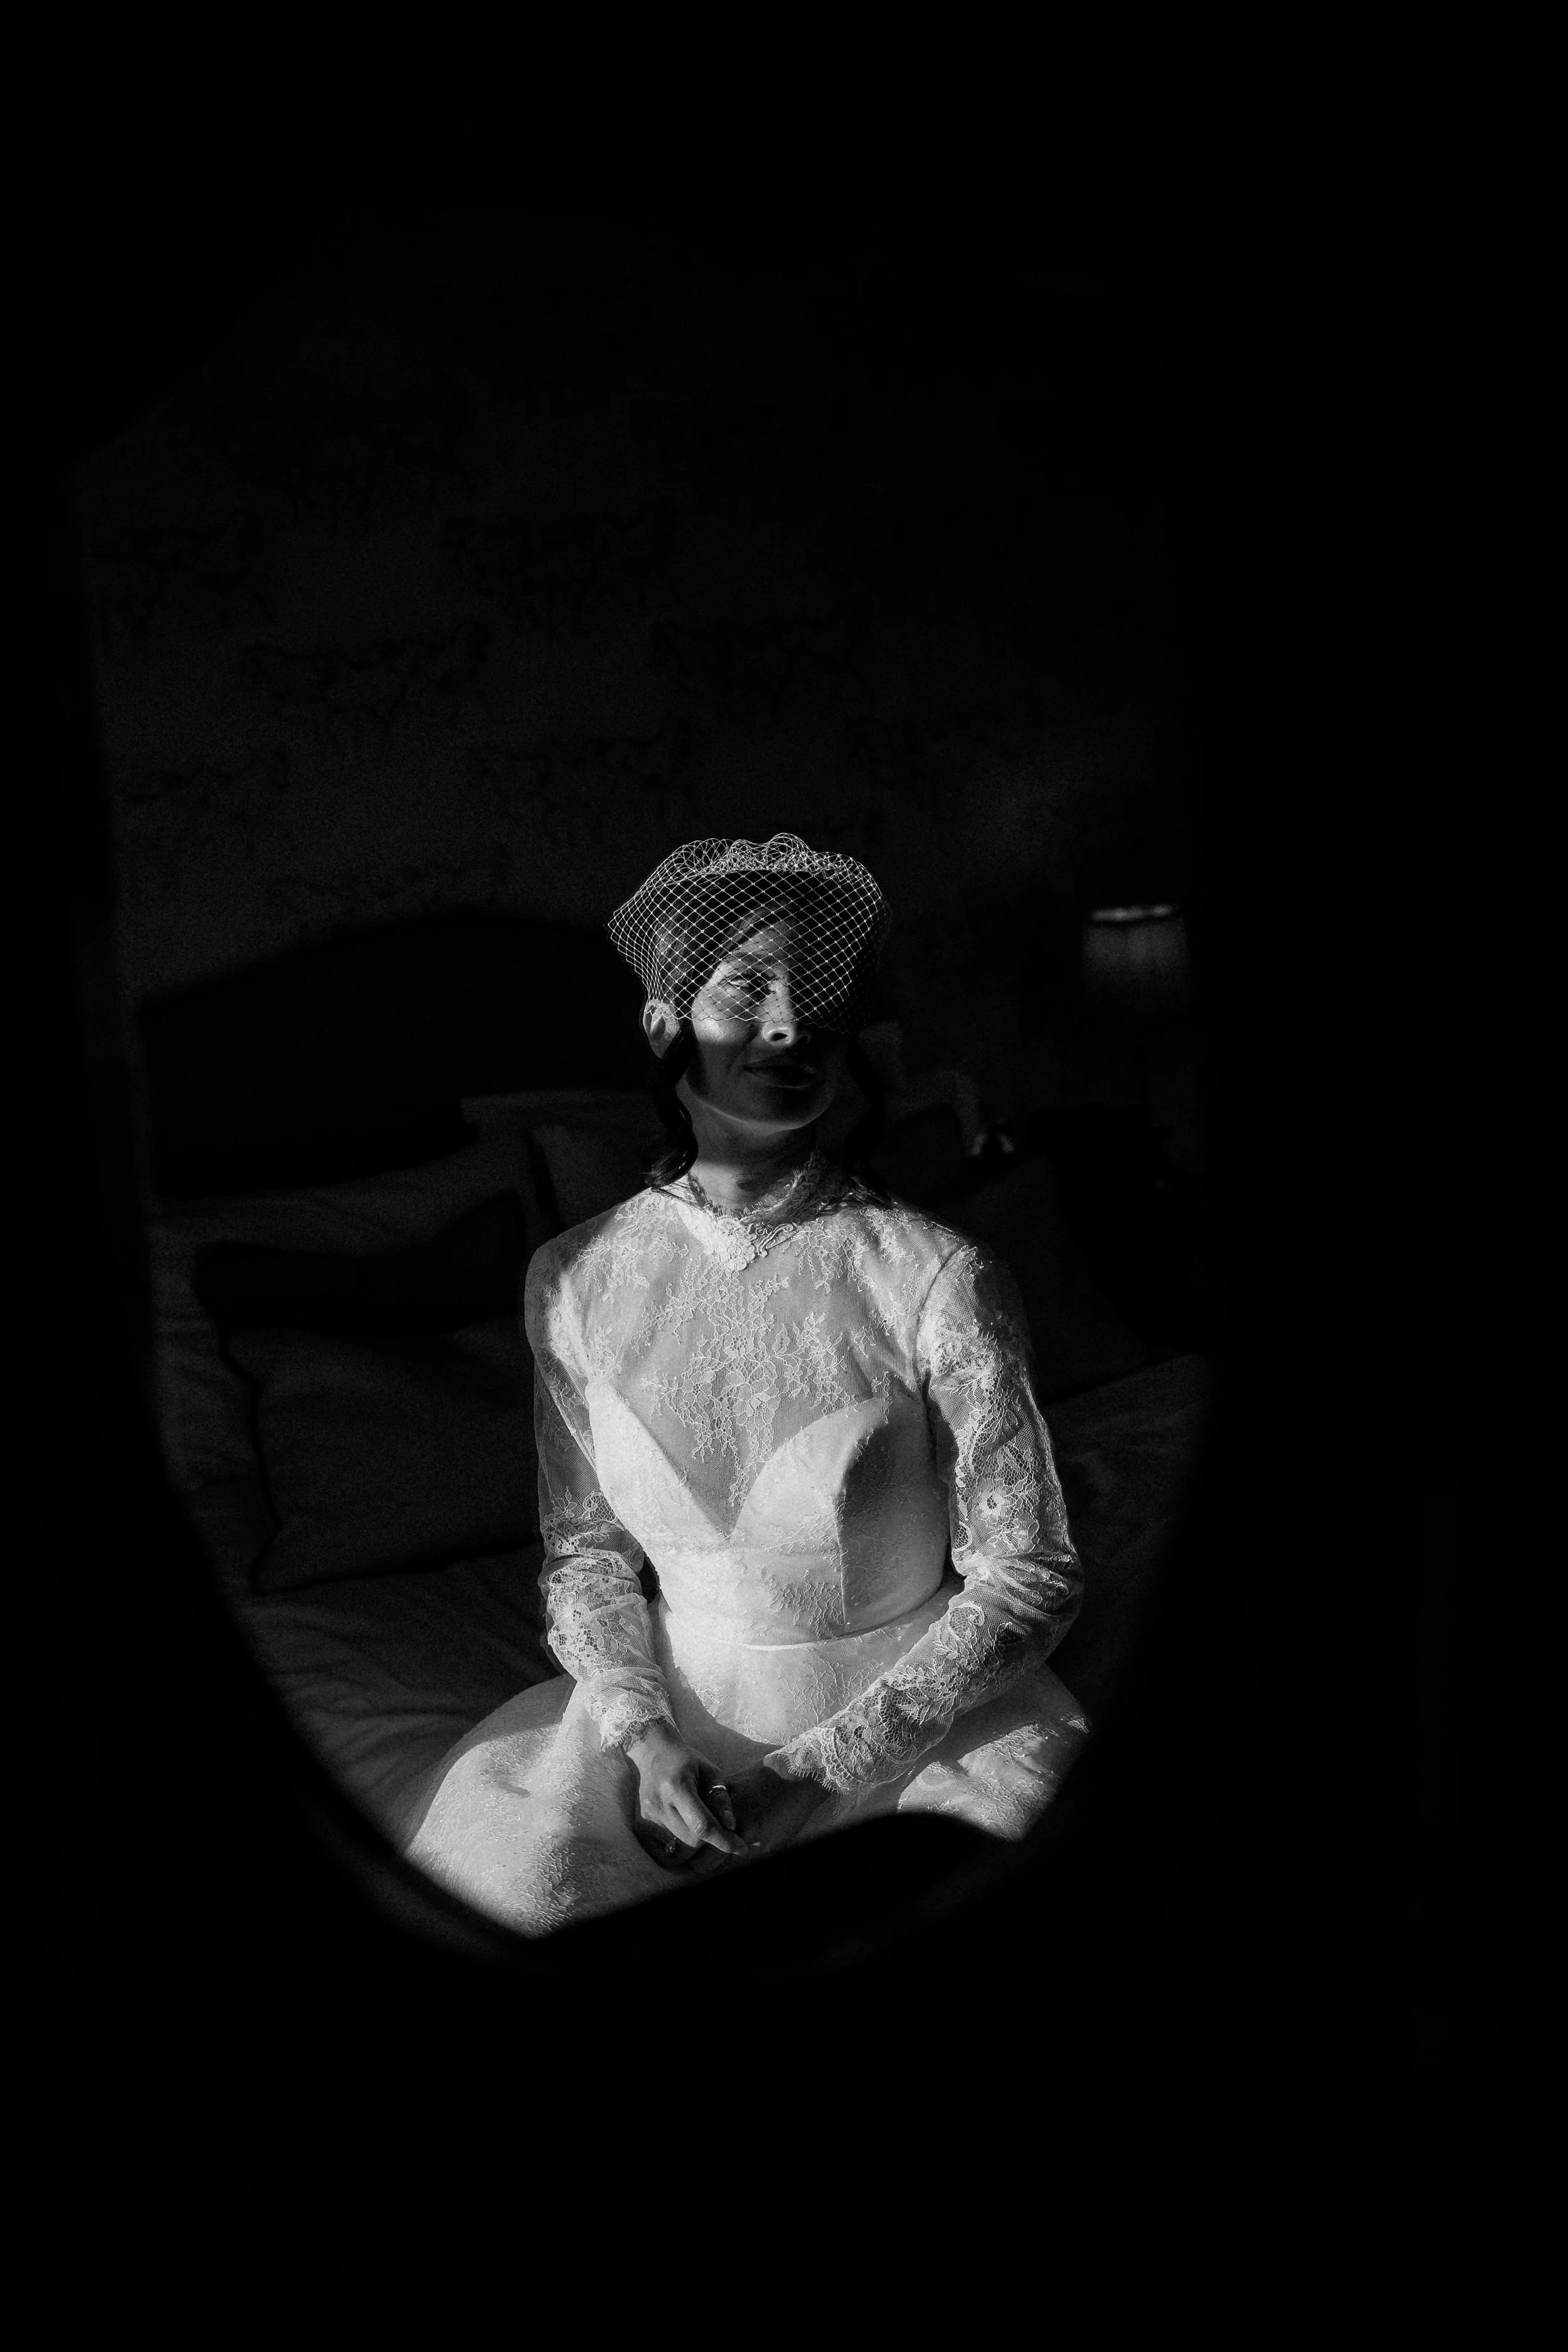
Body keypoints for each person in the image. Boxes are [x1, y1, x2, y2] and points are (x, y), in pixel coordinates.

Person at [405, 833, 1089, 1934]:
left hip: (907, 1735)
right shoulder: (574, 1280)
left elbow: (1030, 1574)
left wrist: (812, 1771)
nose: (790, 1024)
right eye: (749, 987)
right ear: (663, 1021)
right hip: (666, 1737)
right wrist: (644, 1738)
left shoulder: (936, 1276)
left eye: (820, 998)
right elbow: (586, 1555)